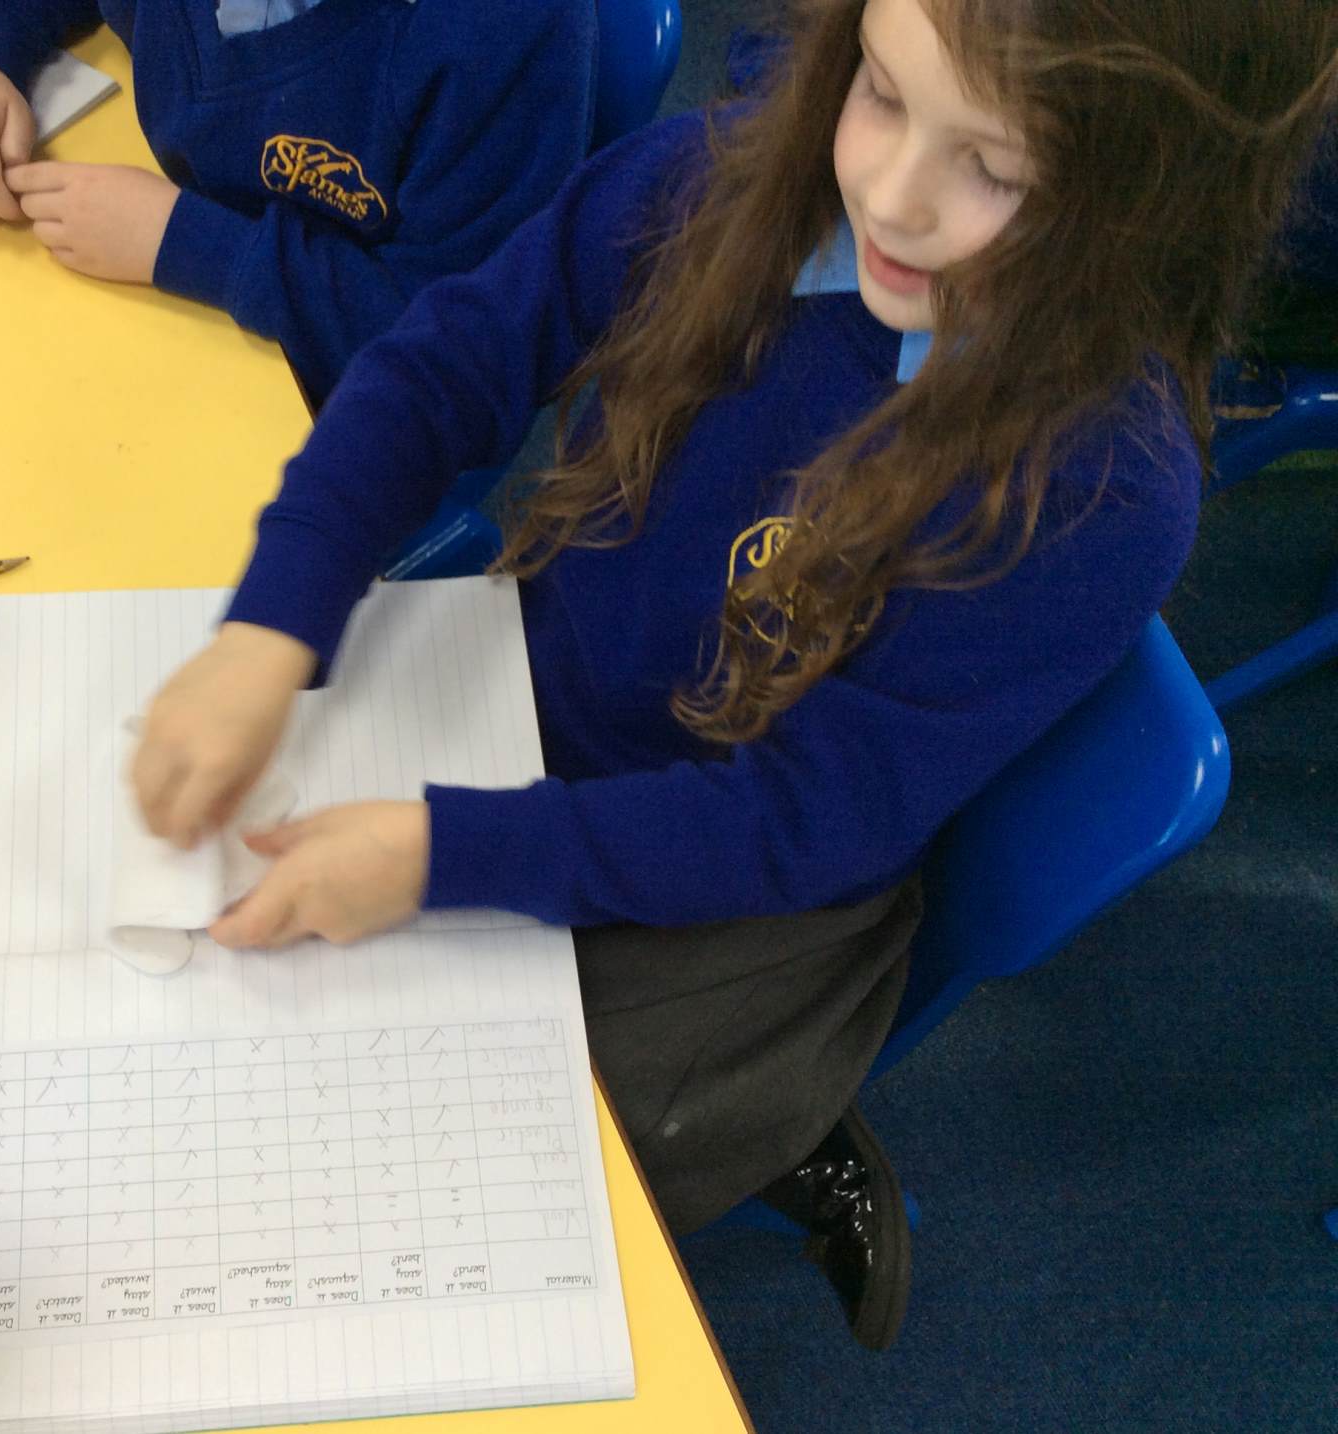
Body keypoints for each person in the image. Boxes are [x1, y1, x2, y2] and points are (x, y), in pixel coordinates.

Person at [128, 0, 1338, 1349]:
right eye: (881, 90)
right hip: (545, 714)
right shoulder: (723, 181)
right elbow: (444, 365)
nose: (888, 194)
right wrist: (272, 626)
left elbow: (799, 821)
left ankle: (793, 1124)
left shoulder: (1098, 486)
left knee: (399, 1189)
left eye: (997, 169)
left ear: (1151, 203)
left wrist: (439, 855)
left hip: (750, 883)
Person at [0, 0, 597, 402]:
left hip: (343, 397)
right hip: (164, 306)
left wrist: (196, 247)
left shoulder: (502, 33)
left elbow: (468, 354)